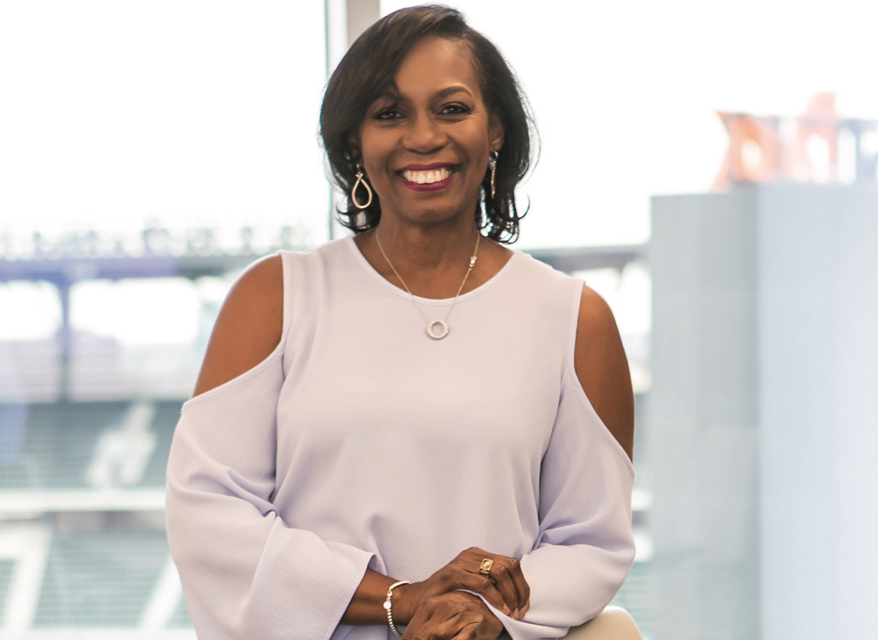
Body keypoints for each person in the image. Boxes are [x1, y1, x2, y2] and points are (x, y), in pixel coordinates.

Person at [165, 6, 636, 640]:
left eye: (451, 108)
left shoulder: (576, 318)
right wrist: (398, 599)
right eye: (390, 114)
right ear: (354, 140)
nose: (423, 137)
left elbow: (592, 542)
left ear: (495, 129)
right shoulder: (275, 296)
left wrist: (481, 614)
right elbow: (206, 516)